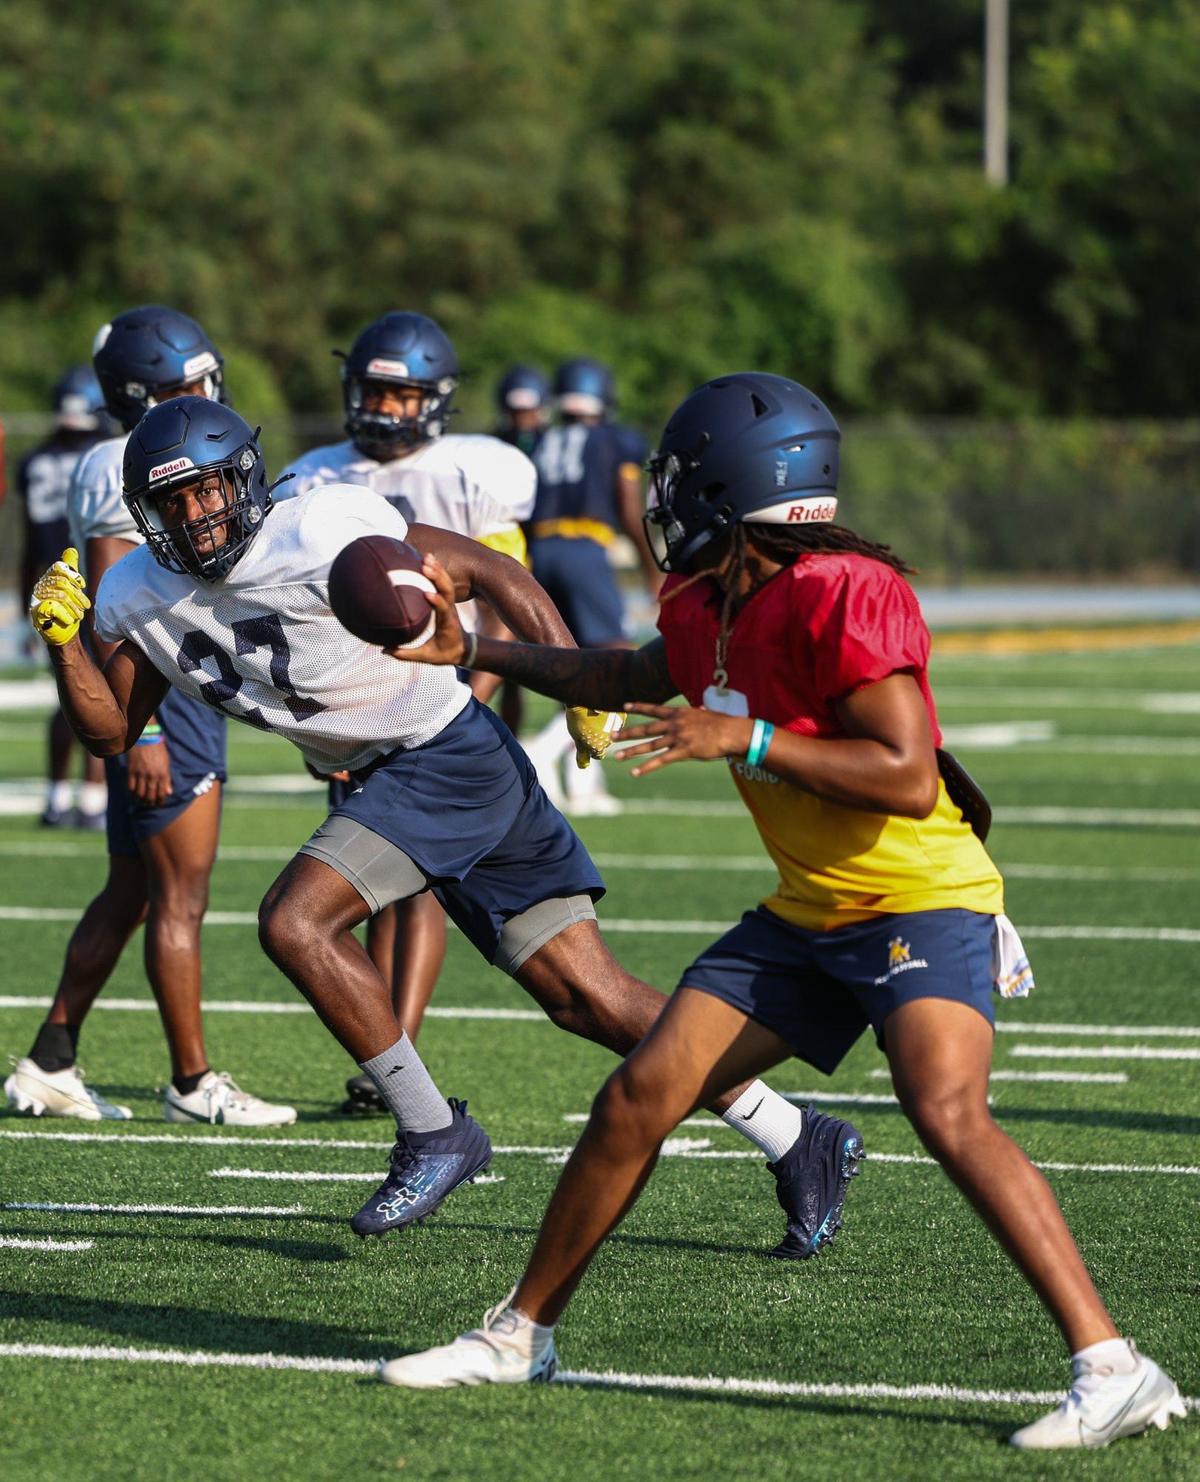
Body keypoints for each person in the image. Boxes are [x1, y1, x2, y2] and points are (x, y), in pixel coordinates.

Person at [377, 372, 1185, 1452]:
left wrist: (742, 739)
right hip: (808, 910)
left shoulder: (841, 591)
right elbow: (625, 669)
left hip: (919, 892)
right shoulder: (710, 596)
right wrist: (473, 649)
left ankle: (1114, 1367)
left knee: (946, 1110)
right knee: (640, 1095)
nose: (660, 504)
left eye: (678, 482)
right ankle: (519, 1334)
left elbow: (904, 773)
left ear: (733, 488)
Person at [28, 393, 860, 1256]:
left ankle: (432, 1132)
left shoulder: (324, 526)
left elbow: (496, 572)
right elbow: (112, 732)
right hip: (410, 771)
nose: (197, 516)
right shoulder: (133, 591)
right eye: (174, 501)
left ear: (243, 480)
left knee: (294, 920)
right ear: (147, 514)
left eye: (208, 491)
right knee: (589, 999)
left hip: (443, 752)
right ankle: (800, 1138)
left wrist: (576, 687)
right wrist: (64, 644)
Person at [5, 307, 294, 1128]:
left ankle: (50, 1059)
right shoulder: (114, 464)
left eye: (205, 377)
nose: (204, 392)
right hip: (158, 698)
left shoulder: (127, 452)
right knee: (179, 899)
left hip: (164, 689)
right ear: (138, 394)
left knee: (131, 891)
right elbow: (113, 604)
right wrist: (154, 732)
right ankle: (193, 1081)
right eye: (182, 384)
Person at [278, 312, 540, 1111]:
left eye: (404, 394)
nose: (388, 409)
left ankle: (399, 1053)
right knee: (367, 892)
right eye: (376, 392)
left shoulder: (472, 472)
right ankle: (389, 1047)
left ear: (435, 399)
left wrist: (470, 693)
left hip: (445, 701)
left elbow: (502, 583)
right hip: (352, 708)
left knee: (417, 888)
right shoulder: (313, 476)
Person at [523, 357, 659, 815]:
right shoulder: (616, 440)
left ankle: (584, 782)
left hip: (539, 550)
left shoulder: (540, 439)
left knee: (574, 669)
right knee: (616, 666)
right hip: (584, 549)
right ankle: (541, 752)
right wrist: (651, 567)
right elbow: (627, 508)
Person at [16, 366, 111, 829]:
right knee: (100, 690)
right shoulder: (101, 458)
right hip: (92, 585)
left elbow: (31, 544)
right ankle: (93, 799)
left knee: (64, 692)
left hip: (45, 588)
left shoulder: (34, 462)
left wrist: (22, 608)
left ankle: (56, 796)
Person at [493, 364, 549, 457]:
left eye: (528, 413)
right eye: (517, 413)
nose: (523, 419)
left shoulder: (553, 444)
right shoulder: (494, 444)